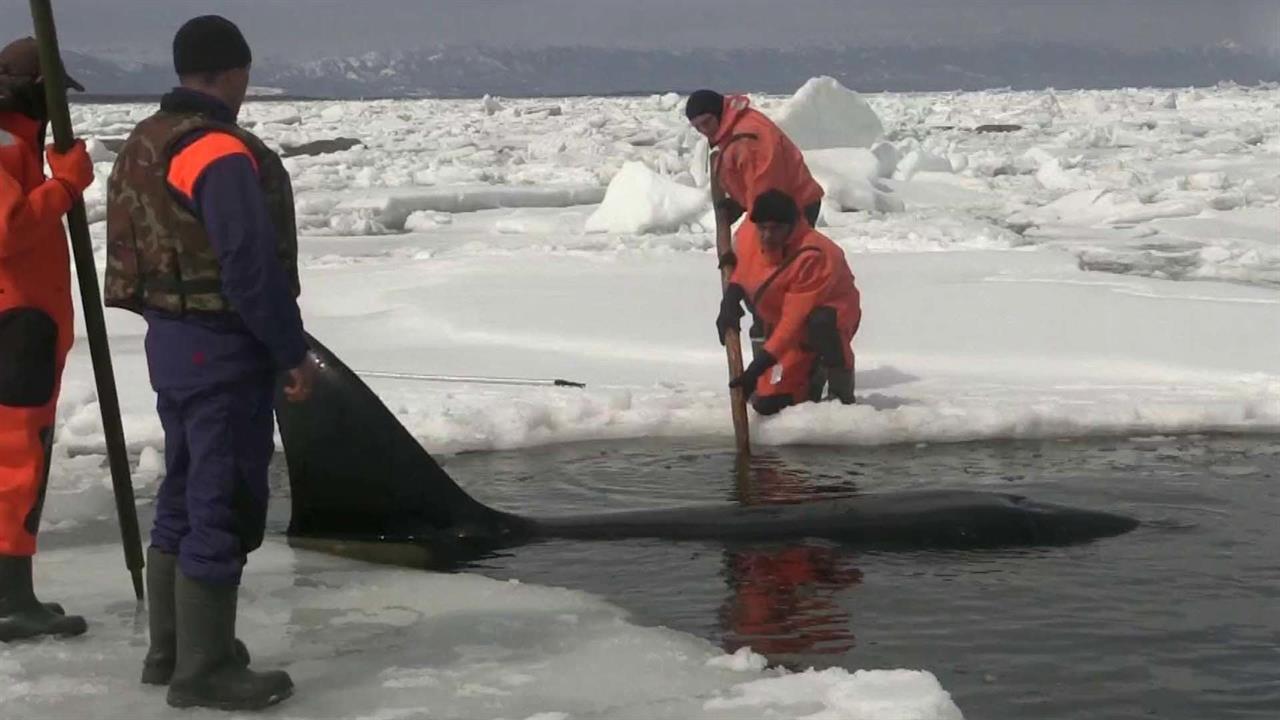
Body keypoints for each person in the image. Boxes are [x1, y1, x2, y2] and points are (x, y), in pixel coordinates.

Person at [105, 15, 319, 711]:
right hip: (220, 347)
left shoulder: (146, 139)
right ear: (234, 73)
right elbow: (249, 266)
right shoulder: (217, 152)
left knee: (184, 488)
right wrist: (290, 350)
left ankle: (172, 650)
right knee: (220, 499)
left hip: (169, 342)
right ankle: (205, 670)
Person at [0, 36, 95, 643]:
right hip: (17, 324)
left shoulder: (17, 144)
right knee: (16, 459)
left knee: (17, 457)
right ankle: (10, 601)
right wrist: (64, 187)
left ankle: (16, 593)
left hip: (27, 323)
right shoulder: (6, 143)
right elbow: (5, 230)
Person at [717, 189, 861, 416]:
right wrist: (731, 300)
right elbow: (743, 268)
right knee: (769, 404)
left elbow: (794, 322)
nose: (766, 235)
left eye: (775, 229)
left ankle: (841, 394)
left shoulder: (813, 255)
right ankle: (807, 374)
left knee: (821, 324)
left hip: (829, 315)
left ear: (791, 226)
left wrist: (756, 369)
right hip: (779, 320)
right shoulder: (747, 235)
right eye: (763, 228)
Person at [685, 88, 824, 228]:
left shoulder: (746, 139)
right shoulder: (734, 129)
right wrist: (740, 202)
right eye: (698, 127)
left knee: (758, 246)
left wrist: (754, 222)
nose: (704, 130)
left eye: (707, 122)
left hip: (793, 204)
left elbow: (766, 184)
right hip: (784, 199)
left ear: (718, 112)